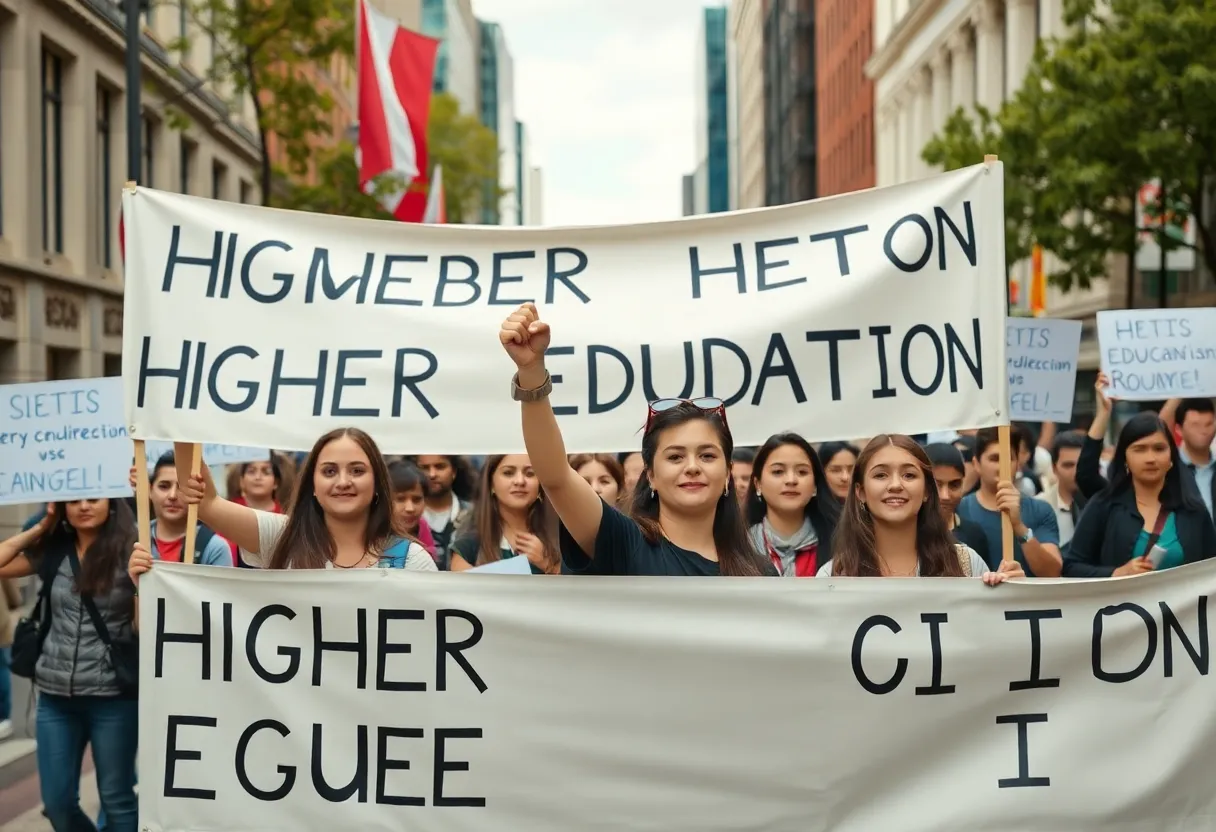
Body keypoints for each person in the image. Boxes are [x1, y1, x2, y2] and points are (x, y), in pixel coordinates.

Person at [500, 302, 775, 576]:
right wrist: (532, 371)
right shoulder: (623, 543)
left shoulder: (760, 573)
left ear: (728, 474)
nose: (692, 467)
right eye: (675, 456)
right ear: (651, 476)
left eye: (707, 455)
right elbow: (556, 477)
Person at [0, 501, 139, 832]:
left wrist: (138, 581)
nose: (85, 506)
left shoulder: (131, 549)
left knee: (117, 800)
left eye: (93, 498)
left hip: (114, 698)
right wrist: (39, 528)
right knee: (58, 804)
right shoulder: (53, 550)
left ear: (111, 503)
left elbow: (143, 627)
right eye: (74, 500)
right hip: (55, 698)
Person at [130, 429, 435, 576]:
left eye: (357, 470)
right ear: (313, 485)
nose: (343, 481)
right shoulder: (282, 538)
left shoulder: (412, 561)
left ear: (377, 483)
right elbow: (206, 502)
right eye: (329, 471)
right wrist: (180, 411)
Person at [817, 435, 1023, 584]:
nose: (896, 485)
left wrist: (1010, 597)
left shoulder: (967, 564)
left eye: (909, 475)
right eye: (881, 475)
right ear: (860, 492)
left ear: (926, 491)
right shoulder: (832, 577)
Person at [1064, 411, 1216, 578]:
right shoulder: (1104, 506)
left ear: (1171, 457)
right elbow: (1071, 567)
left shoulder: (1193, 511)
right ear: (1125, 459)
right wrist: (1116, 573)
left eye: (1159, 449)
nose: (1150, 458)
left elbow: (1210, 572)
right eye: (1140, 449)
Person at [957, 426, 1063, 576]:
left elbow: (1052, 572)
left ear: (1018, 464)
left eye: (1009, 459)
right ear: (976, 464)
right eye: (994, 459)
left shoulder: (1040, 510)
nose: (1002, 466)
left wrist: (1019, 527)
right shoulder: (959, 509)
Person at [745, 433, 840, 576]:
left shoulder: (841, 545)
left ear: (815, 486)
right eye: (778, 472)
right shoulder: (739, 546)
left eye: (802, 472)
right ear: (758, 484)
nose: (791, 480)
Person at [450, 455, 559, 574]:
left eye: (530, 473)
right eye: (508, 473)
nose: (520, 481)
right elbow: (461, 588)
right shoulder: (469, 543)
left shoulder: (560, 536)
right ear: (491, 483)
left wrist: (548, 565)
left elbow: (577, 588)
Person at [142, 452, 233, 566]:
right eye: (164, 486)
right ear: (150, 490)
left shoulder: (214, 548)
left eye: (182, 488)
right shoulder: (132, 541)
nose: (172, 495)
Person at [924, 443, 991, 564]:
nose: (945, 496)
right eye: (936, 485)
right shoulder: (905, 533)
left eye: (954, 485)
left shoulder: (974, 534)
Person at [413, 455, 474, 561]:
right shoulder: (405, 516)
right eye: (424, 468)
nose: (432, 474)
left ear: (454, 472)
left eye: (440, 467)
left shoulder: (474, 514)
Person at [1035, 431, 1088, 550]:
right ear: (1054, 468)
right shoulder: (1039, 507)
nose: (1076, 472)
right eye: (1068, 465)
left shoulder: (1106, 504)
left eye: (1081, 464)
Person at [387, 460, 438, 558]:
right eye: (400, 499)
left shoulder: (423, 528)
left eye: (417, 499)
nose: (410, 508)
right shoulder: (369, 537)